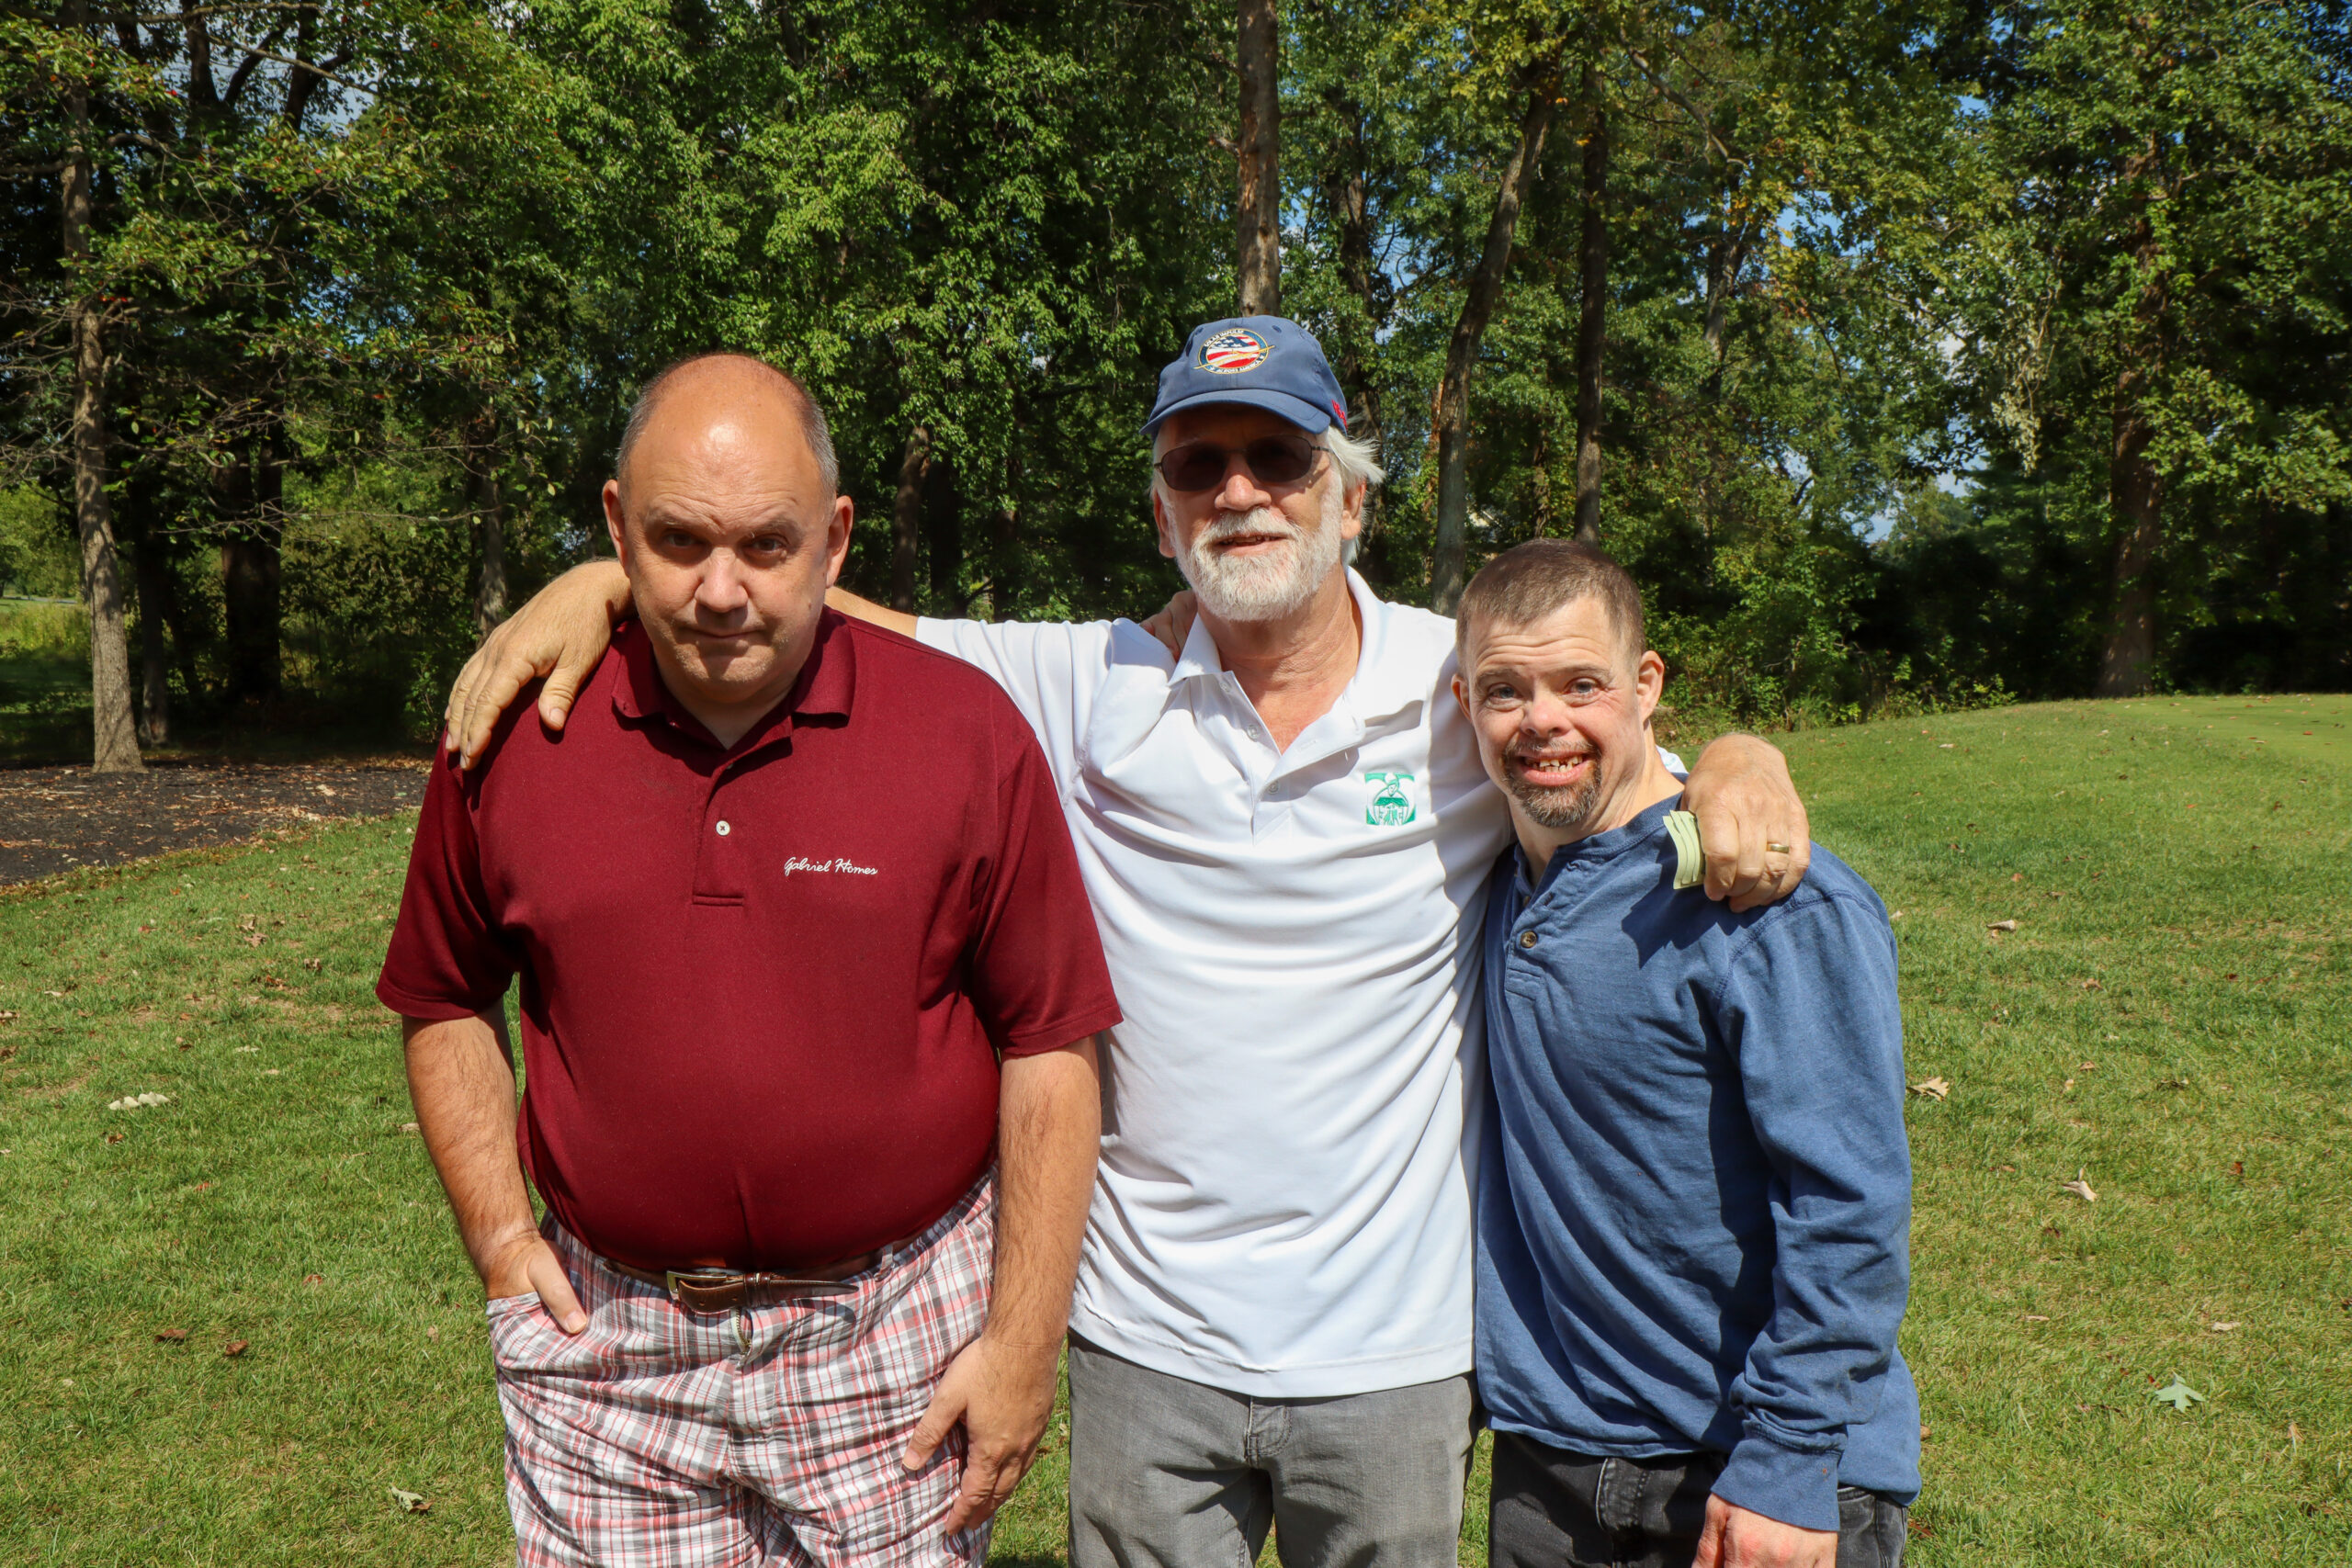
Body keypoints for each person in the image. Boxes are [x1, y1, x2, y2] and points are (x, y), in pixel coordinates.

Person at [443, 319, 1815, 1568]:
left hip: (1397, 1348)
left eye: (1277, 454)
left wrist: (1741, 761)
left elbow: (1600, 752)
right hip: (1144, 1342)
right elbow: (802, 597)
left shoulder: (1451, 685)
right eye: (1197, 463)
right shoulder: (1085, 681)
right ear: (1162, 518)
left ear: (1351, 492)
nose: (1237, 490)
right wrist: (603, 581)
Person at [377, 355, 1121, 1567]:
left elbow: (1050, 1040)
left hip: (892, 1337)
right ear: (615, 526)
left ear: (834, 538)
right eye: (677, 541)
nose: (721, 589)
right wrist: (505, 1245)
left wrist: (1023, 1343)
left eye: (766, 546)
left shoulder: (963, 732)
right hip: (608, 1345)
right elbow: (443, 994)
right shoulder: (513, 733)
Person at [1454, 539, 1917, 1568]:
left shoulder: (1768, 901)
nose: (1543, 721)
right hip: (1552, 1455)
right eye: (1504, 691)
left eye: (1582, 683)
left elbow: (1850, 1204)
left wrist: (1789, 1462)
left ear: (1647, 683)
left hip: (1754, 1468)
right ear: (1462, 703)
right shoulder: (1485, 873)